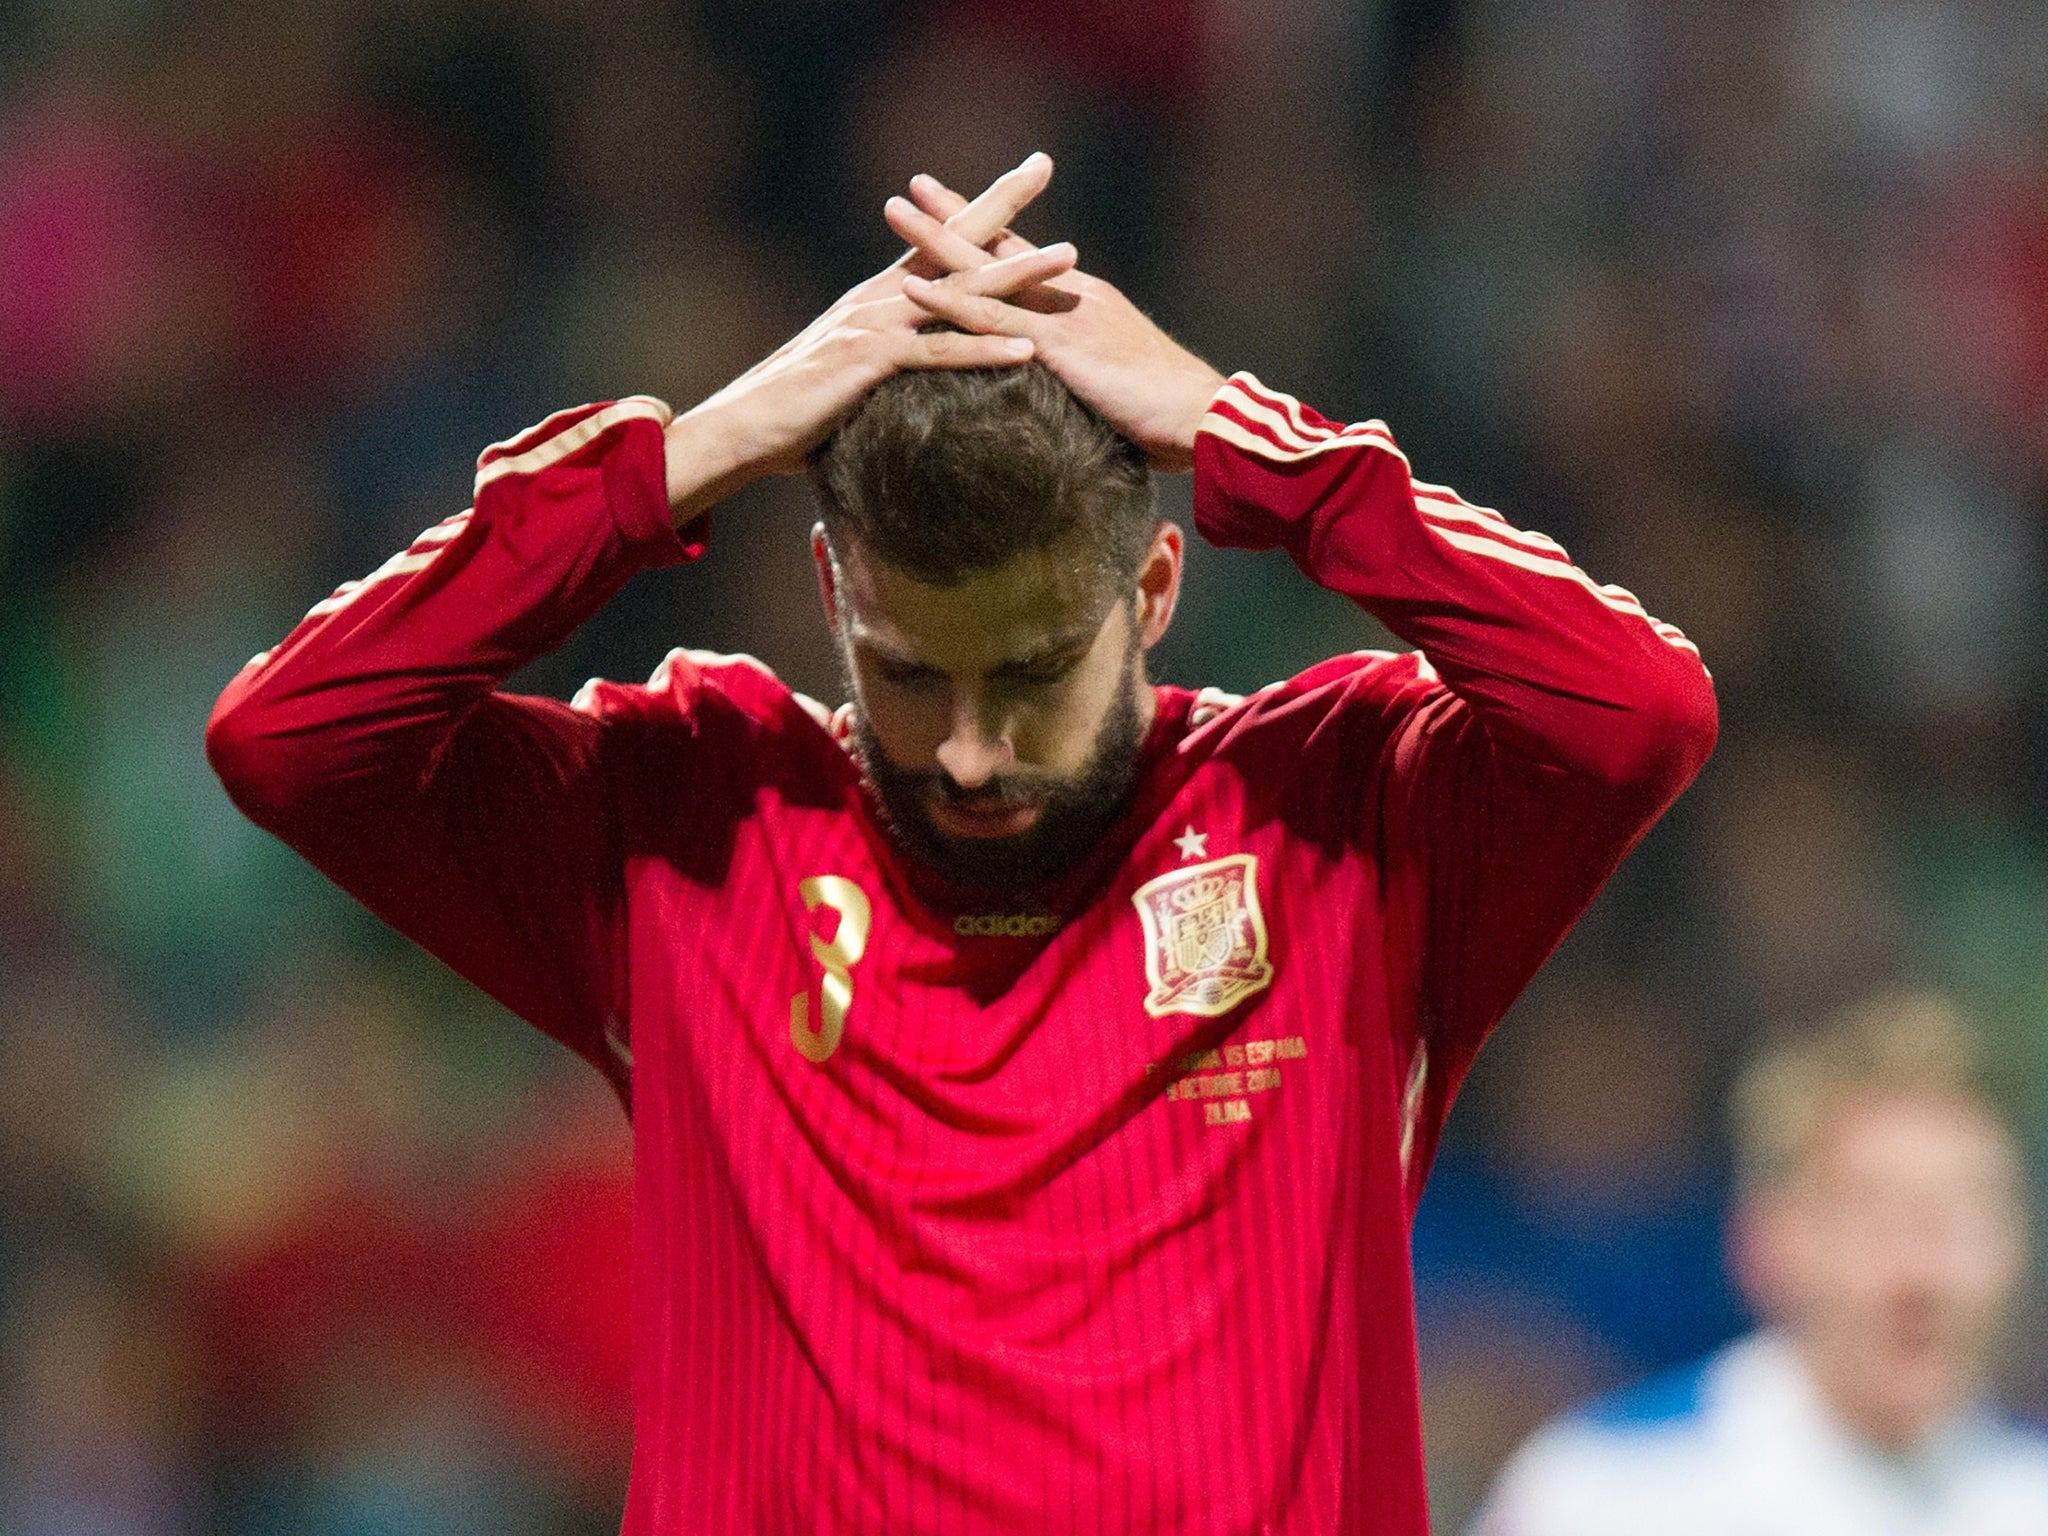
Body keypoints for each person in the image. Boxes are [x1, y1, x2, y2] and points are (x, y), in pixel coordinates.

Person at [205, 152, 1716, 1534]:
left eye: (1036, 674)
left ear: (1156, 590)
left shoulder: (1345, 812)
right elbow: (293, 740)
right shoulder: (688, 819)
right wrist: (698, 445)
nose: (973, 751)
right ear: (828, 594)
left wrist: (1248, 437)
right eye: (911, 674)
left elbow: (1639, 712)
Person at [1467, 991, 2048, 1536]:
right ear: (1765, 1242)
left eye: (1960, 1216)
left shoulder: (2029, 1496)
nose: (1923, 1275)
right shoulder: (1605, 1493)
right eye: (1876, 1218)